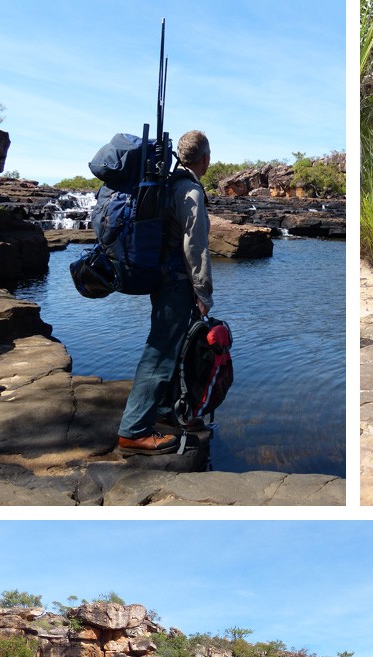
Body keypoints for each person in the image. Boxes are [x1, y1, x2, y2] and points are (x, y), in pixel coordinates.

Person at [117, 129, 214, 454]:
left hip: (161, 278)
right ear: (205, 158)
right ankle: (133, 430)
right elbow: (195, 248)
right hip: (176, 282)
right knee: (159, 352)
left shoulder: (170, 183)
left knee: (171, 347)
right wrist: (204, 294)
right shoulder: (191, 192)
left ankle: (167, 412)